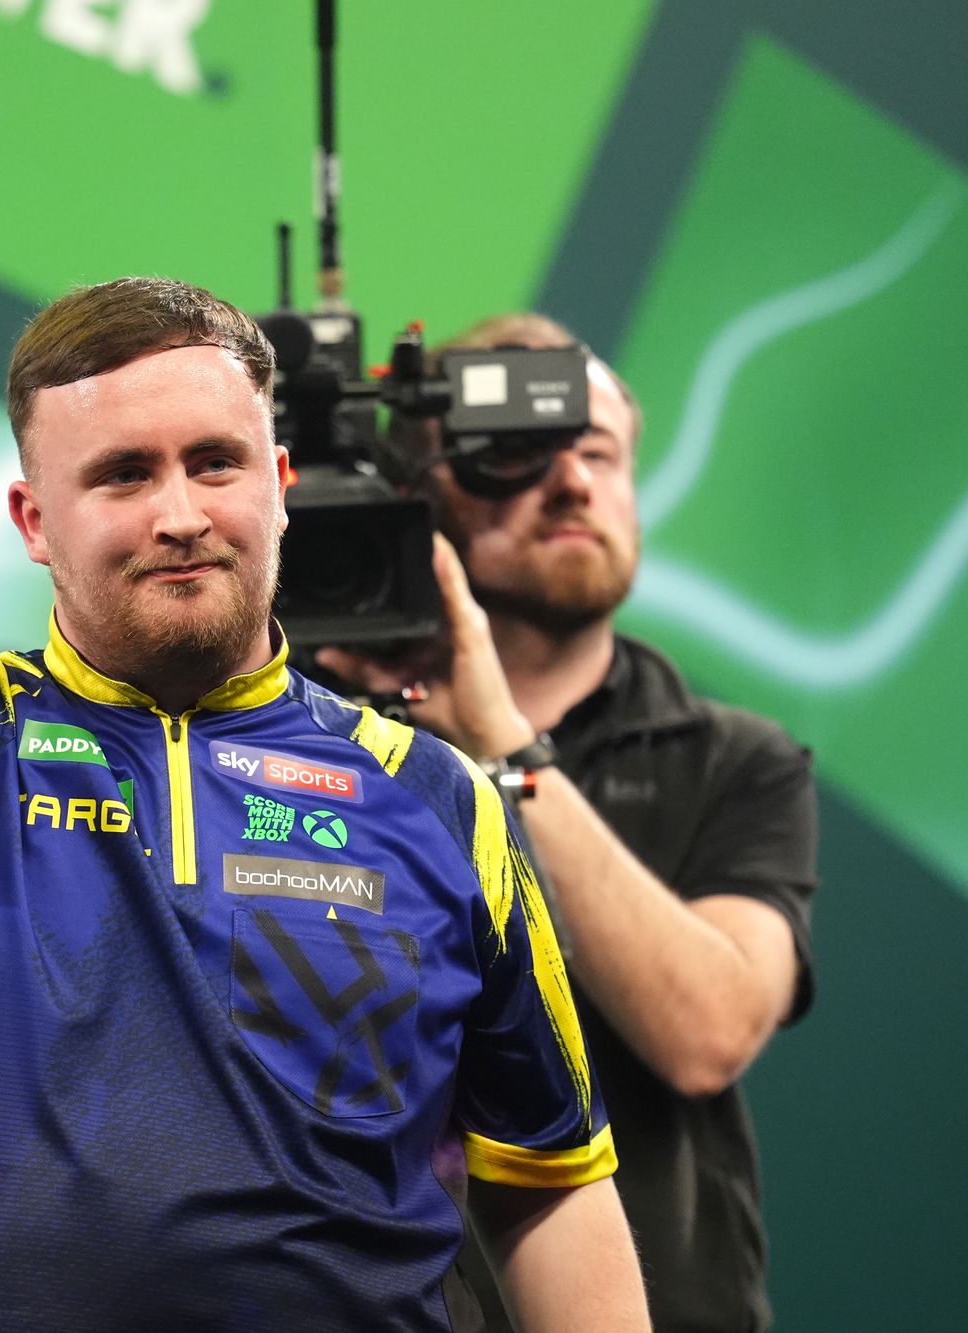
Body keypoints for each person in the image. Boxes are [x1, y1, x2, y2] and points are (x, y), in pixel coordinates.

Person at [0, 32, 650, 1333]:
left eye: (215, 462)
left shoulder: (439, 800)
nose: (181, 510)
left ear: (281, 486)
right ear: (34, 519)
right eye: (123, 474)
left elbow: (554, 1189)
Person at [318, 314, 818, 1332]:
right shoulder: (310, 739)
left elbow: (709, 1031)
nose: (572, 482)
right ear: (419, 492)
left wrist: (497, 743)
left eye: (596, 452)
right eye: (515, 454)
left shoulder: (732, 758)